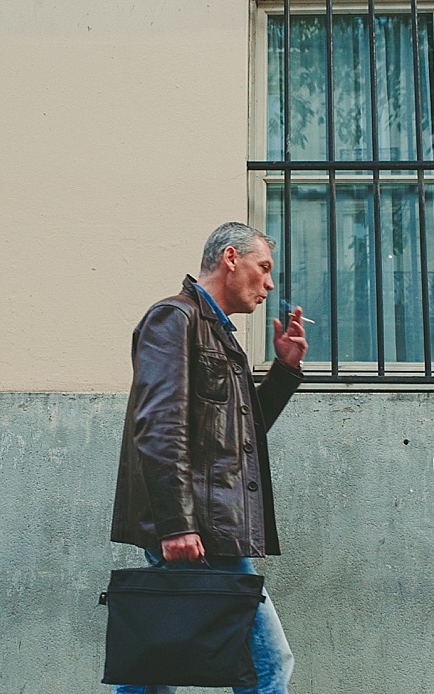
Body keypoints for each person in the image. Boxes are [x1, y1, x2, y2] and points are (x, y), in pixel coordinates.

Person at [110, 221, 308, 694]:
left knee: (154, 665)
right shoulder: (173, 319)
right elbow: (159, 427)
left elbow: (239, 432)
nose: (271, 284)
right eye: (264, 268)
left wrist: (284, 371)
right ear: (231, 259)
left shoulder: (218, 334)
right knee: (267, 664)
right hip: (196, 530)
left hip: (205, 528)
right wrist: (177, 525)